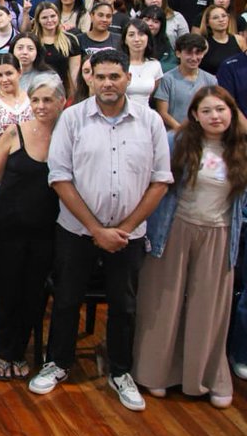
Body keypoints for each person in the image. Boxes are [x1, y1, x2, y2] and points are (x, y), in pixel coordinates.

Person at [31, 49, 171, 412]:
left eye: (115, 76)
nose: (107, 83)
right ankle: (58, 362)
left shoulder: (150, 121)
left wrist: (121, 229)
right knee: (65, 299)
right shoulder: (73, 119)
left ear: (128, 78)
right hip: (77, 230)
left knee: (124, 305)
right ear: (89, 78)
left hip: (129, 235)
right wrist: (96, 229)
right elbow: (59, 177)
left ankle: (121, 371)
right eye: (100, 76)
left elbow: (159, 181)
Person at [135, 86, 246, 409]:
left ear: (232, 112)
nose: (215, 116)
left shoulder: (240, 148)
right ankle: (156, 373)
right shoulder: (177, 142)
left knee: (208, 308)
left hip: (220, 233)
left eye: (222, 110)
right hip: (174, 228)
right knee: (163, 303)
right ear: (195, 114)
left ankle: (206, 377)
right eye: (208, 110)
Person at [0, 76, 65, 380]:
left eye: (47, 100)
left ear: (62, 103)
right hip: (7, 225)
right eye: (36, 100)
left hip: (47, 229)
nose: (40, 106)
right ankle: (3, 351)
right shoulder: (14, 133)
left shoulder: (67, 137)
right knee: (7, 290)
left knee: (34, 293)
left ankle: (19, 349)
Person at [154, 33, 216, 130]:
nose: (194, 58)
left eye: (198, 53)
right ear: (178, 53)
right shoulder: (167, 79)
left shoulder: (211, 80)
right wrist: (181, 130)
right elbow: (162, 112)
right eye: (189, 53)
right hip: (175, 134)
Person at [123, 18, 164, 106]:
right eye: (131, 35)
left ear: (148, 38)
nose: (137, 39)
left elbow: (153, 94)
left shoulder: (155, 65)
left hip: (145, 114)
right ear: (125, 40)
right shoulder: (118, 64)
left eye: (141, 34)